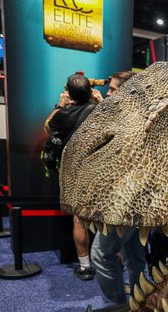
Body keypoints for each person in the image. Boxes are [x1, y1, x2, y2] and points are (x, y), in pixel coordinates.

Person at [89, 70, 144, 303]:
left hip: (126, 200)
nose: (108, 93)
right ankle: (140, 303)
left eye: (113, 89)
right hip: (134, 199)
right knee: (133, 256)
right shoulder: (134, 117)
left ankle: (117, 307)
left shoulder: (132, 122)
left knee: (101, 254)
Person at [46, 73, 97, 280]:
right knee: (111, 221)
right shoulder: (99, 112)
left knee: (79, 221)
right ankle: (116, 262)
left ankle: (85, 267)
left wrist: (59, 105)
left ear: (69, 92)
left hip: (76, 174)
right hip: (99, 171)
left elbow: (47, 127)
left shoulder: (62, 115)